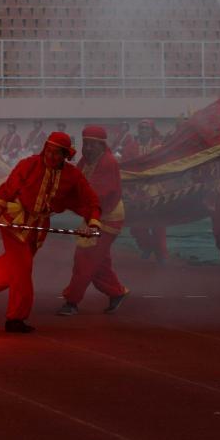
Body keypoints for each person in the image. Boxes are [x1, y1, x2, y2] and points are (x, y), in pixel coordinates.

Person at [0, 132, 101, 333]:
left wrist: (92, 224)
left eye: (57, 153)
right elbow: (6, 191)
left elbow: (90, 200)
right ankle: (15, 318)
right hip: (14, 222)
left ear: (65, 155)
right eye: (48, 151)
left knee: (9, 272)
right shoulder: (28, 165)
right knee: (23, 269)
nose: (51, 156)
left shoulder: (72, 176)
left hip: (37, 229)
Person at [57, 126, 130, 315]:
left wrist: (66, 203)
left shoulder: (108, 162)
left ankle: (72, 302)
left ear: (102, 145)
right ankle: (116, 292)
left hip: (106, 218)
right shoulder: (87, 160)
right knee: (99, 262)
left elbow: (96, 196)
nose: (87, 148)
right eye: (86, 144)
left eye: (92, 144)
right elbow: (74, 181)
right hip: (94, 214)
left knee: (85, 259)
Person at [124, 119, 168, 262]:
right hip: (137, 191)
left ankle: (162, 256)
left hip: (157, 189)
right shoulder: (130, 147)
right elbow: (126, 167)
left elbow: (165, 165)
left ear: (151, 131)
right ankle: (147, 246)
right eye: (141, 128)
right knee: (136, 226)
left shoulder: (159, 146)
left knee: (158, 225)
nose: (143, 130)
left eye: (146, 128)